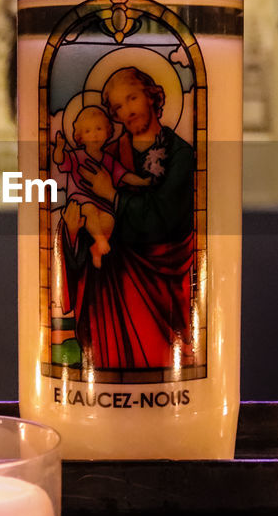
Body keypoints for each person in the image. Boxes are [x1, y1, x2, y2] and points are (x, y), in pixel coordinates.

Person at [58, 65, 196, 371]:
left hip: (162, 284)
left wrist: (112, 195)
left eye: (132, 99)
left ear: (151, 96)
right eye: (118, 107)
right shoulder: (106, 155)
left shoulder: (181, 155)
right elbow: (80, 205)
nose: (127, 111)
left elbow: (165, 219)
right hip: (110, 288)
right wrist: (71, 231)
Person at [52, 104, 149, 267]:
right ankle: (100, 240)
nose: (94, 135)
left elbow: (124, 176)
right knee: (89, 210)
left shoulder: (108, 160)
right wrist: (60, 148)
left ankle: (96, 249)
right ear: (80, 137)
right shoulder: (76, 156)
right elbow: (60, 160)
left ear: (107, 132)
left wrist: (143, 181)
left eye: (99, 129)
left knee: (109, 220)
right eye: (88, 131)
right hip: (80, 201)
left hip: (102, 203)